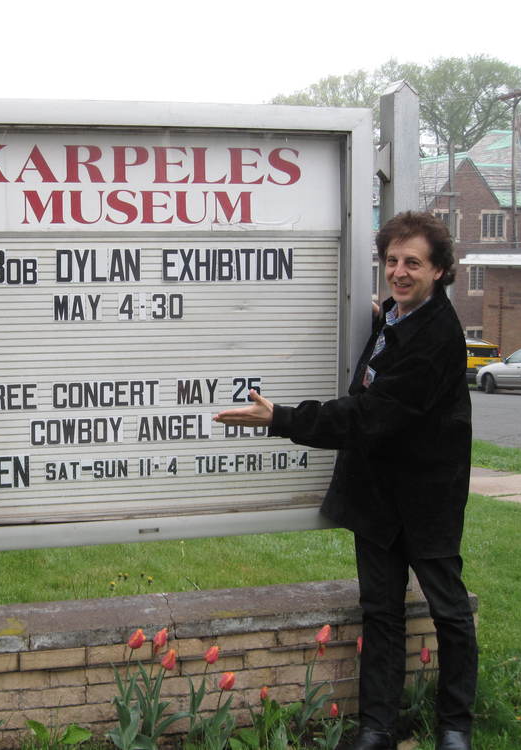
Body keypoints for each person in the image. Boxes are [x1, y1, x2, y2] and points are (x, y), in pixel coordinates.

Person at [214, 211, 477, 750]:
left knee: (448, 610)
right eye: (393, 261)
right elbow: (378, 375)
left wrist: (282, 419)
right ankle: (377, 728)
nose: (399, 272)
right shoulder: (398, 320)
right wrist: (382, 318)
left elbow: (369, 416)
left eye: (414, 263)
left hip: (426, 498)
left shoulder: (439, 338)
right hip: (377, 497)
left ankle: (455, 726)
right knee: (380, 612)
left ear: (441, 271)